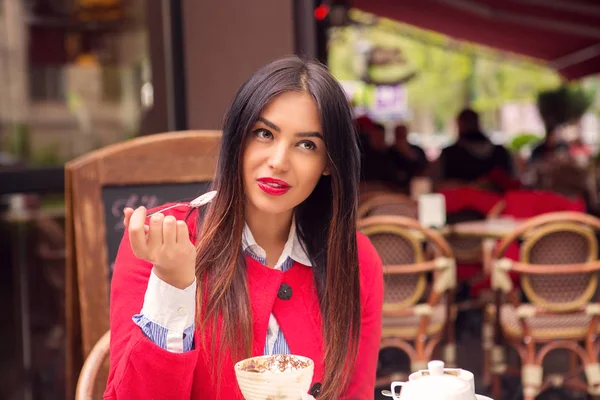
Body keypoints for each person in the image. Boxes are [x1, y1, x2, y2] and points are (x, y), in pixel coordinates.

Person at [105, 56, 384, 400]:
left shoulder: (355, 259)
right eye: (264, 134)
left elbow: (355, 394)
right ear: (239, 139)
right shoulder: (164, 238)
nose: (279, 161)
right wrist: (173, 287)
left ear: (329, 163)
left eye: (307, 144)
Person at [435, 108, 513, 186]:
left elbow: (436, 183)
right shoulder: (501, 152)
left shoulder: (449, 154)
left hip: (461, 196)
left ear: (459, 124)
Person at [387, 124, 428, 188]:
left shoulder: (417, 150)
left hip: (414, 185)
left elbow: (423, 168)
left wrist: (409, 154)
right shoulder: (388, 152)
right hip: (392, 187)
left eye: (402, 134)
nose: (401, 138)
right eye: (399, 135)